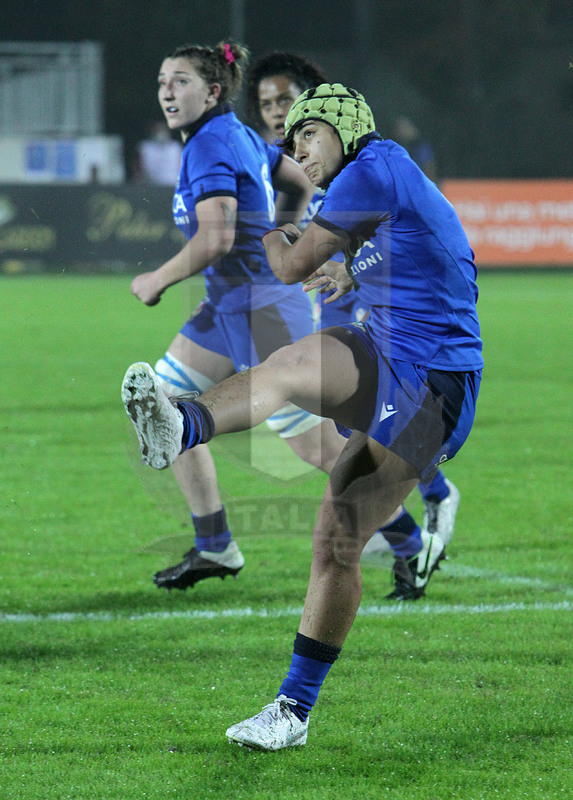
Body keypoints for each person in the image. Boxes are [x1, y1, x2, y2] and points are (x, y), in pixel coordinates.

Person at [122, 82, 483, 749]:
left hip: (435, 385)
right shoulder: (378, 178)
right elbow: (437, 250)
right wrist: (351, 266)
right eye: (288, 141)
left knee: (336, 537)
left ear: (345, 130)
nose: (297, 151)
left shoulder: (370, 165)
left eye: (306, 135)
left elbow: (287, 267)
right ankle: (181, 425)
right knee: (288, 368)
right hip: (386, 354)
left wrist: (266, 226)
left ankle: (291, 710)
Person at [129, 42, 351, 593]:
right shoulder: (239, 135)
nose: (166, 90)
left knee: (314, 447)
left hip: (261, 311)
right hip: (228, 306)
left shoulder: (209, 144)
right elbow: (297, 183)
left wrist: (155, 280)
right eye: (162, 79)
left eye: (180, 81)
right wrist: (282, 235)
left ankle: (407, 539)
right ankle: (215, 546)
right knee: (164, 407)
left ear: (212, 92)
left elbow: (216, 236)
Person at [246, 52, 461, 597]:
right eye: (267, 104)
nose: (276, 114)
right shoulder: (288, 160)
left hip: (342, 301)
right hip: (318, 291)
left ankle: (412, 523)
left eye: (286, 101)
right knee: (331, 429)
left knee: (324, 430)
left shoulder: (343, 165)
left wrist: (291, 240)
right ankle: (418, 509)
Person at [133, 121, 183, 185]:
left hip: (173, 185)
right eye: (157, 130)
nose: (160, 133)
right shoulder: (144, 147)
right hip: (151, 186)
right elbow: (137, 168)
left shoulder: (176, 147)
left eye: (162, 130)